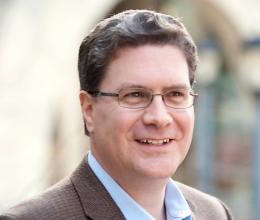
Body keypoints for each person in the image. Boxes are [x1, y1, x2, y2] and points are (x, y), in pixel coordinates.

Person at [0, 9, 233, 220]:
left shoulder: (214, 213)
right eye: (135, 95)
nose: (160, 117)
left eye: (175, 94)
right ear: (89, 110)